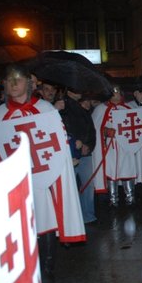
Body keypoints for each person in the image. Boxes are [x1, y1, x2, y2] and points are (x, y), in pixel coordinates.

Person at [0, 64, 85, 280]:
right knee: (19, 226)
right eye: (9, 81)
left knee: (46, 220)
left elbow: (58, 145)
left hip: (43, 177)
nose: (13, 85)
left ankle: (47, 267)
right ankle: (24, 268)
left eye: (17, 80)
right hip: (15, 182)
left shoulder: (46, 110)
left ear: (28, 84)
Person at [91, 85, 142, 207]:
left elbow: (137, 128)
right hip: (110, 146)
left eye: (118, 92)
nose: (116, 95)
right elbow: (95, 128)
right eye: (113, 93)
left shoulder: (128, 108)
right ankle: (113, 200)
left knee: (127, 169)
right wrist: (105, 132)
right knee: (111, 171)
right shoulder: (100, 109)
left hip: (127, 146)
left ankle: (130, 198)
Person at [60, 88, 97, 223]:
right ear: (69, 92)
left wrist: (88, 145)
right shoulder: (63, 108)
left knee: (87, 185)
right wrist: (74, 142)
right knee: (70, 187)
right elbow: (64, 129)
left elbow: (90, 131)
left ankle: (88, 215)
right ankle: (71, 219)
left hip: (85, 154)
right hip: (71, 154)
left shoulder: (84, 111)